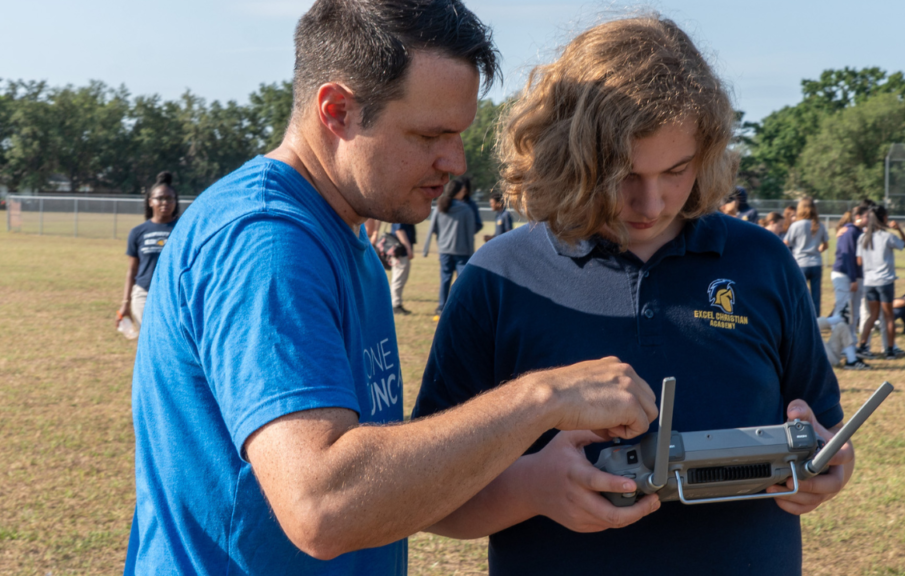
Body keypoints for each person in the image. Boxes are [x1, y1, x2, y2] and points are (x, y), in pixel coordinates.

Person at [124, 3, 660, 575]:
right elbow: (324, 506)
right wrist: (543, 398)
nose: (453, 161)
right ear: (337, 111)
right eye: (430, 134)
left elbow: (380, 480)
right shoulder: (269, 245)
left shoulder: (343, 235)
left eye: (458, 134)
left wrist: (532, 480)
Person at [413, 16, 853, 575]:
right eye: (622, 174)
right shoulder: (498, 278)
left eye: (676, 170)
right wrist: (531, 490)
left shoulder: (763, 261)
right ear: (568, 155)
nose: (651, 203)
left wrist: (834, 462)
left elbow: (826, 431)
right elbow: (429, 498)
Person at [116, 171, 180, 332]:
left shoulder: (183, 229)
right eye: (160, 198)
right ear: (150, 201)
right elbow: (132, 270)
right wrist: (125, 304)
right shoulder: (138, 232)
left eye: (169, 198)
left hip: (175, 295)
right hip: (144, 294)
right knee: (150, 340)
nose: (165, 202)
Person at [855, 205, 905, 360]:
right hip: (885, 282)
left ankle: (863, 346)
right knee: (888, 317)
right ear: (883, 218)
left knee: (872, 316)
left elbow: (859, 261)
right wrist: (899, 229)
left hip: (869, 282)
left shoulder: (862, 237)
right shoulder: (887, 237)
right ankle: (890, 350)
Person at [423, 177, 482, 318]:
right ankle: (462, 307)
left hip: (444, 250)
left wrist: (429, 247)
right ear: (457, 192)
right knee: (462, 281)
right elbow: (469, 234)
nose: (464, 193)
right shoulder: (466, 209)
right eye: (462, 190)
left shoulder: (440, 207)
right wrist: (471, 253)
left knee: (445, 278)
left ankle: (441, 306)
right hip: (462, 251)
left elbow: (433, 228)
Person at [783, 197, 829, 317]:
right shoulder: (820, 225)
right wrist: (816, 250)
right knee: (816, 295)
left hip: (800, 264)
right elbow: (826, 245)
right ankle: (816, 320)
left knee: (799, 294)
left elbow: (786, 243)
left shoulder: (796, 225)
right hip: (816, 263)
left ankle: (801, 318)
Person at [831, 205, 868, 336]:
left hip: (855, 276)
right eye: (866, 216)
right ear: (857, 217)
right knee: (843, 310)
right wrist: (853, 279)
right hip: (844, 275)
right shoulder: (850, 232)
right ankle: (837, 342)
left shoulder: (859, 232)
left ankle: (850, 342)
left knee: (854, 312)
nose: (869, 219)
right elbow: (848, 257)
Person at [389, 221, 416, 315]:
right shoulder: (400, 214)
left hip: (400, 251)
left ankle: (396, 303)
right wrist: (408, 248)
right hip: (400, 252)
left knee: (399, 278)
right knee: (398, 279)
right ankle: (395, 304)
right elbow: (399, 230)